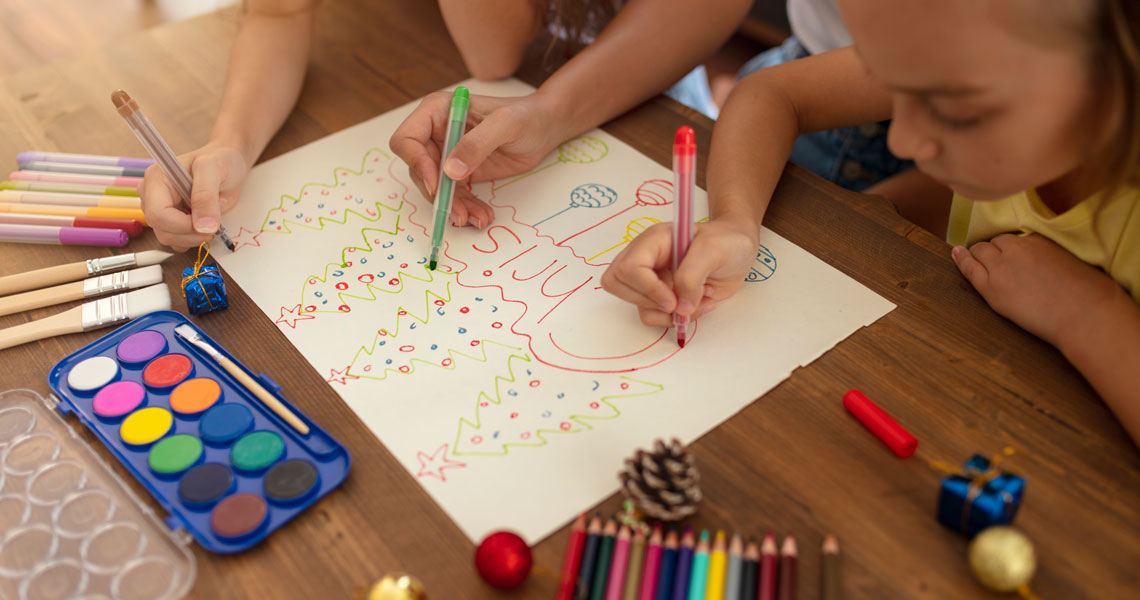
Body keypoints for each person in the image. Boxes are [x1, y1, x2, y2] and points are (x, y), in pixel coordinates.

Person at [601, 0, 1140, 444]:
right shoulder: (974, 56)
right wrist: (735, 223)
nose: (902, 140)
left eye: (954, 111)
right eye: (892, 85)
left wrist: (1088, 317)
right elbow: (773, 92)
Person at [141, 0, 751, 250]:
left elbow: (493, 52)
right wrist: (233, 143)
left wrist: (553, 110)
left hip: (643, 75)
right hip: (461, 65)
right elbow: (279, 12)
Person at [389, 0, 751, 229]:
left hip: (660, 81)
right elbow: (491, 55)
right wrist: (545, 115)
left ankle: (724, 91)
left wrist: (549, 111)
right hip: (546, 83)